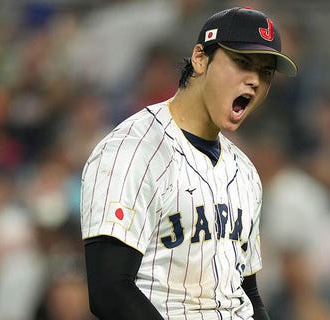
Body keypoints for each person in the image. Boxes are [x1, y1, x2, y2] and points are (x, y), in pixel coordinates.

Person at [80, 7, 297, 320]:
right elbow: (109, 291)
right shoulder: (132, 150)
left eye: (265, 72)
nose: (254, 80)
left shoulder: (245, 171)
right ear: (200, 58)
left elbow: (247, 293)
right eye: (242, 62)